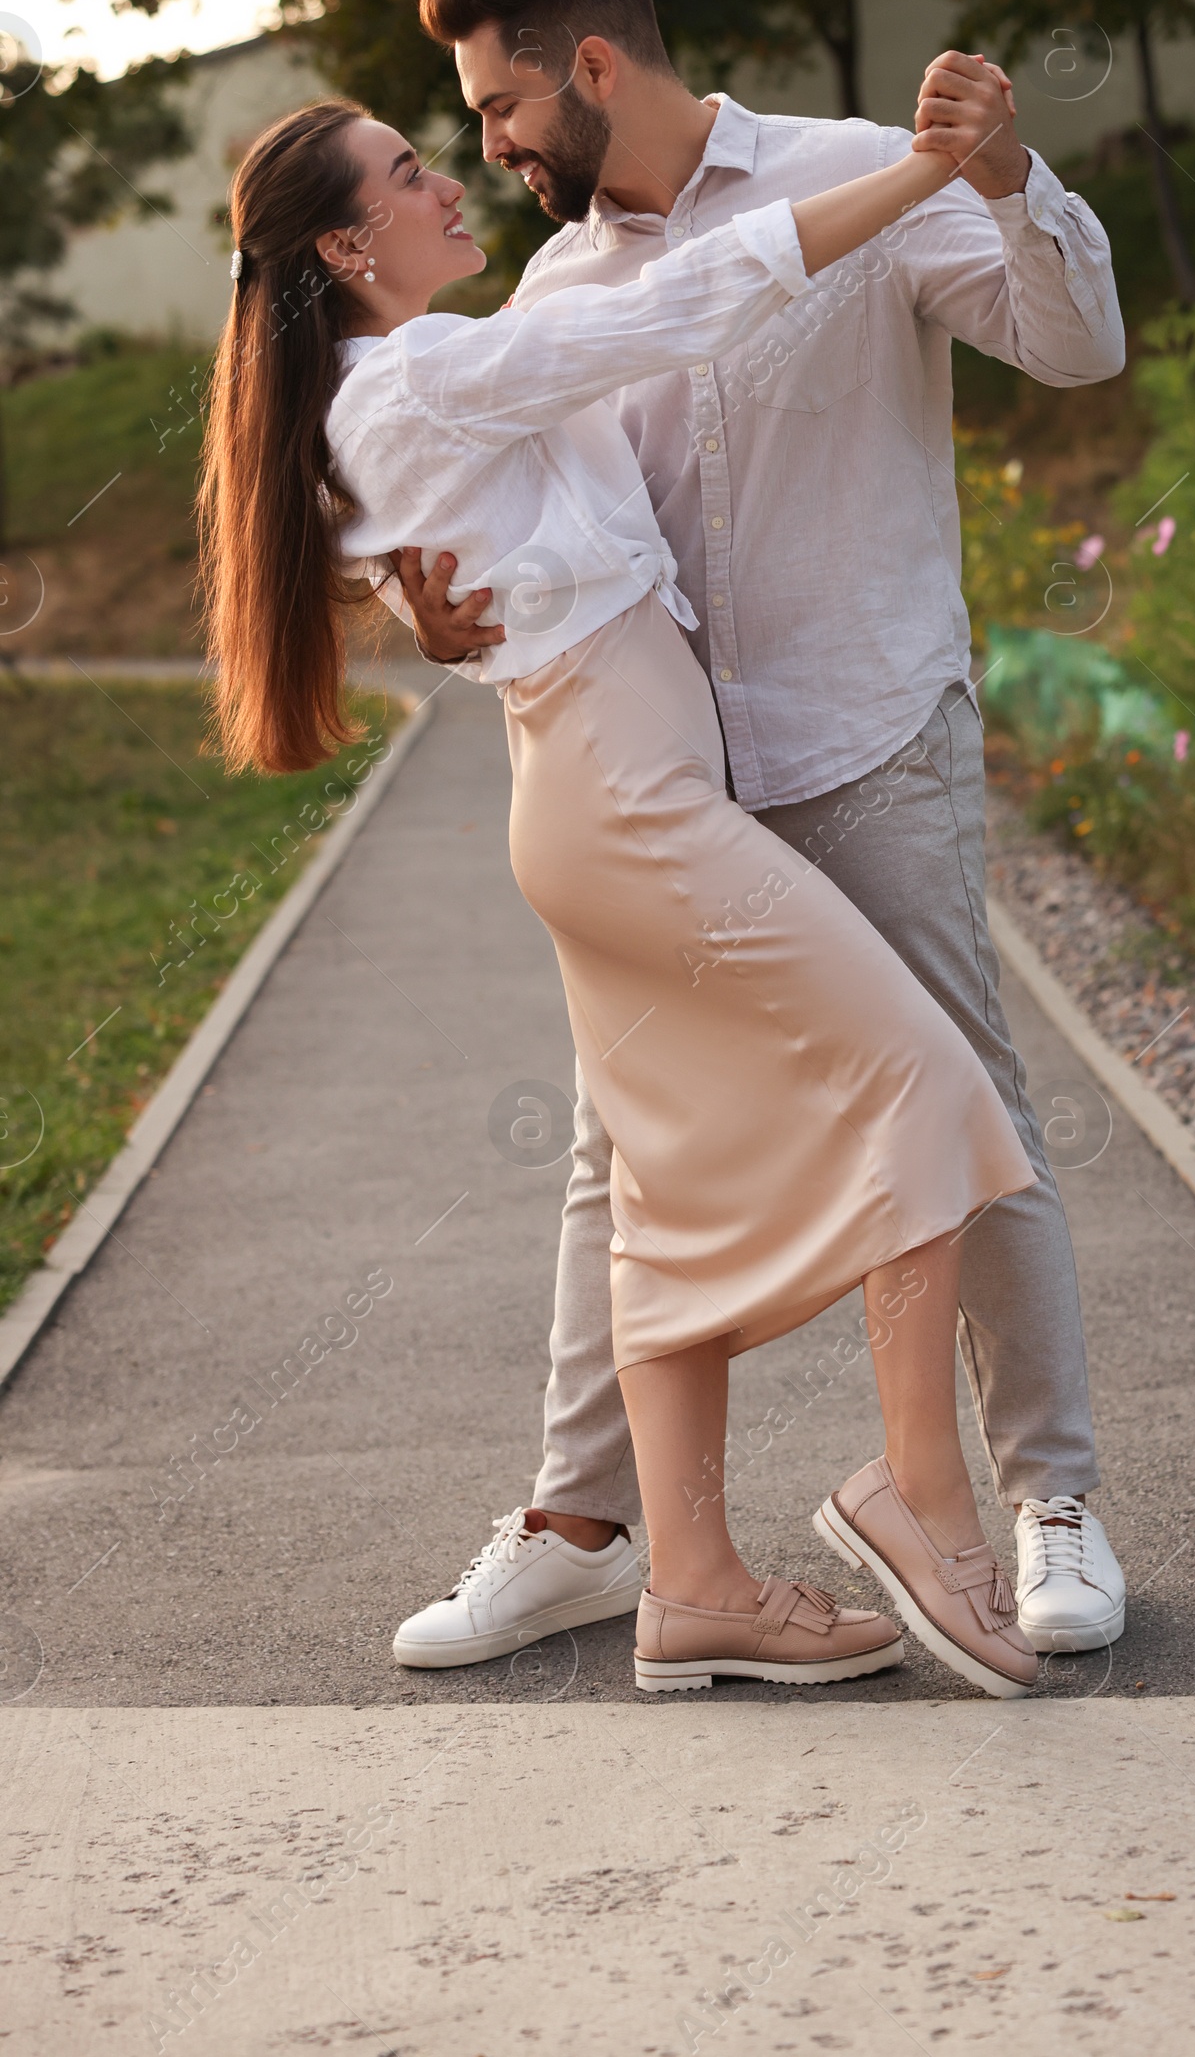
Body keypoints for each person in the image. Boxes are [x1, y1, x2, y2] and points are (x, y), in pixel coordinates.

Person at [198, 82, 1050, 1698]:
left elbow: (373, 525)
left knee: (664, 1193)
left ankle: (696, 1589)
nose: (450, 179)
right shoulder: (429, 375)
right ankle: (919, 1493)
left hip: (604, 791)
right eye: (408, 168)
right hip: (628, 800)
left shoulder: (395, 385)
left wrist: (416, 601)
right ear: (342, 241)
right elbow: (691, 299)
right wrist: (921, 170)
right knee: (920, 1076)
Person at [392, 0, 1129, 1664]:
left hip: (867, 734)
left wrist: (1013, 173)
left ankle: (1052, 1503)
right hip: (674, 795)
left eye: (500, 101)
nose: (493, 142)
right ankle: (585, 1527)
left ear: (589, 68)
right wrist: (424, 611)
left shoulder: (862, 175)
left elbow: (1074, 342)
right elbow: (499, 529)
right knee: (617, 1151)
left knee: (970, 1109)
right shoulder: (562, 295)